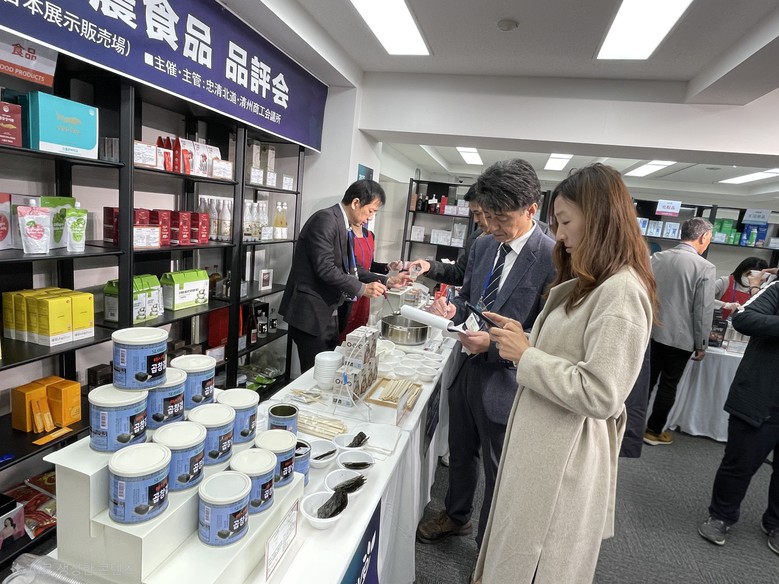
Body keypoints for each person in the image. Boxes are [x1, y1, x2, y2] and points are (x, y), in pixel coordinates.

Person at [471, 163, 655, 584]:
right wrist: (524, 337)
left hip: (565, 454)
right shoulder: (593, 280)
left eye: (567, 222)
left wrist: (526, 356)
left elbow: (602, 392)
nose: (559, 234)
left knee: (537, 560)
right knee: (515, 549)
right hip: (545, 440)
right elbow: (572, 350)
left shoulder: (622, 292)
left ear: (600, 219)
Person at [415, 159, 556, 548]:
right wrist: (453, 311)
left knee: (499, 469)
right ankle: (456, 515)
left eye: (501, 219)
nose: (491, 226)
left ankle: (489, 548)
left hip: (507, 381)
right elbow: (470, 300)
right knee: (461, 452)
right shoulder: (482, 244)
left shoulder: (553, 258)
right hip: (466, 368)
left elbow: (546, 336)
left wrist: (492, 346)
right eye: (486, 217)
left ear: (531, 209)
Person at [279, 180, 407, 372]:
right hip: (310, 314)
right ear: (356, 203)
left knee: (330, 372)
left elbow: (352, 268)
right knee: (315, 374)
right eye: (370, 211)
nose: (370, 218)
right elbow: (325, 268)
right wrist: (362, 288)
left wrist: (387, 280)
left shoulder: (343, 225)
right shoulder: (325, 220)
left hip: (330, 312)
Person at [698, 280, 779, 554]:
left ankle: (776, 523)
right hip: (760, 398)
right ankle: (721, 515)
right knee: (739, 464)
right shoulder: (777, 290)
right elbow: (744, 318)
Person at [644, 217, 715, 446]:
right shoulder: (704, 267)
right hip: (680, 338)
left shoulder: (657, 258)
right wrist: (702, 344)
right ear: (703, 237)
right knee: (668, 385)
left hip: (651, 331)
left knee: (645, 382)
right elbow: (702, 310)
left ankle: (629, 426)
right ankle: (653, 431)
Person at [337, 222, 402, 340]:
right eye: (369, 212)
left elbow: (369, 265)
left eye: (373, 213)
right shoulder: (345, 234)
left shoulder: (370, 235)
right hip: (351, 289)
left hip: (367, 292)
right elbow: (353, 268)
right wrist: (386, 280)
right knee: (344, 330)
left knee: (359, 329)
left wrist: (387, 266)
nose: (369, 217)